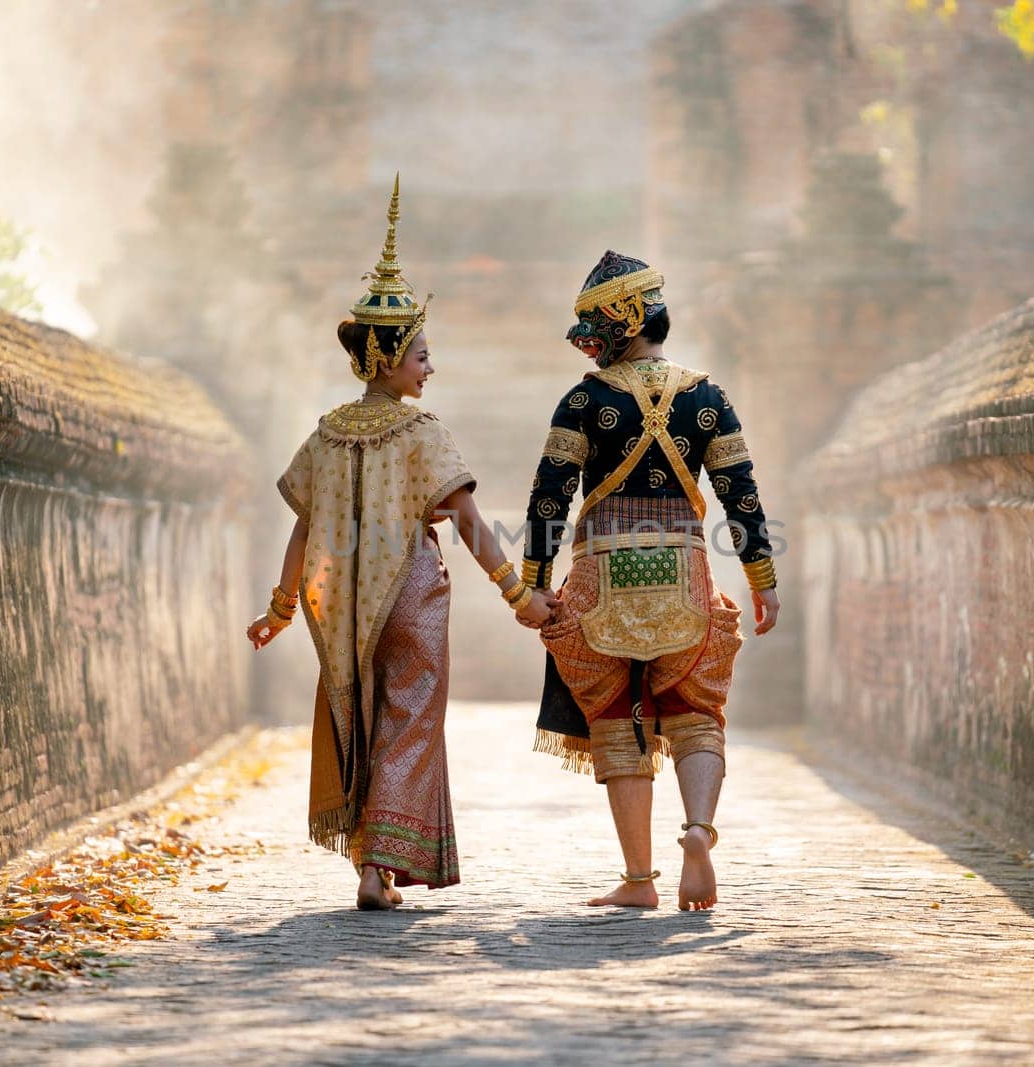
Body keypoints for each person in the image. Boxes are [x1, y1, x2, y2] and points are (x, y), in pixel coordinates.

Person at [248, 176, 554, 910]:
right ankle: (378, 862)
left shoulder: (324, 434)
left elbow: (302, 525)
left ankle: (371, 861)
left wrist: (282, 608)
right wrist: (518, 593)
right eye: (420, 354)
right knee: (409, 719)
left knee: (360, 711)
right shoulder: (421, 433)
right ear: (385, 357)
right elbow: (473, 521)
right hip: (410, 593)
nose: (430, 366)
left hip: (342, 606)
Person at [523, 250, 780, 911]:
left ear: (621, 324)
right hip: (686, 573)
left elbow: (549, 497)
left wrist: (534, 583)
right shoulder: (707, 396)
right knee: (697, 712)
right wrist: (762, 580)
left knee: (615, 716)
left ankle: (639, 880)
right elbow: (740, 494)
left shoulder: (584, 399)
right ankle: (697, 828)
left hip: (604, 575)